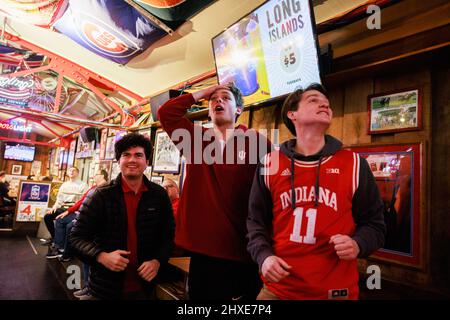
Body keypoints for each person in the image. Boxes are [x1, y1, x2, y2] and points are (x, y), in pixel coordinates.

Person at [247, 83, 386, 300]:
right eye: (313, 99)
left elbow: (375, 225)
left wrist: (358, 244)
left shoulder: (354, 164)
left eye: (327, 103)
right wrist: (264, 257)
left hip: (336, 292)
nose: (324, 104)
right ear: (292, 114)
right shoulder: (269, 164)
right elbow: (255, 222)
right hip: (278, 290)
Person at [158, 82, 271, 300]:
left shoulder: (257, 142)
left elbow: (270, 193)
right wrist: (204, 92)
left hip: (243, 251)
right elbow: (166, 113)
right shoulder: (195, 139)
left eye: (226, 98)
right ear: (209, 111)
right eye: (213, 100)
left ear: (239, 109)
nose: (218, 101)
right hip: (203, 253)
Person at [70, 133, 175, 300]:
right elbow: (76, 237)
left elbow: (168, 236)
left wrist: (157, 261)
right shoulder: (100, 195)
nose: (132, 159)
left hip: (145, 286)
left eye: (138, 155)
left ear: (146, 161)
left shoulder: (159, 195)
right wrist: (101, 256)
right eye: (126, 155)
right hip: (105, 287)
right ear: (119, 161)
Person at [46, 169, 109, 260]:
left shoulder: (105, 188)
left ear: (102, 176)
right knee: (60, 219)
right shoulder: (93, 187)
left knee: (70, 226)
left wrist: (74, 212)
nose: (93, 176)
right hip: (79, 211)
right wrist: (69, 211)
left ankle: (68, 254)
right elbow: (82, 201)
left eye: (96, 174)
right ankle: (59, 247)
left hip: (91, 216)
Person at [42, 167, 88, 245]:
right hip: (63, 207)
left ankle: (59, 243)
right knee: (47, 217)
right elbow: (59, 199)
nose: (71, 172)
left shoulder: (83, 185)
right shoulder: (64, 184)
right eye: (70, 170)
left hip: (74, 209)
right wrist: (54, 207)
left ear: (77, 173)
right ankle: (54, 238)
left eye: (74, 170)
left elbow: (83, 201)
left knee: (60, 219)